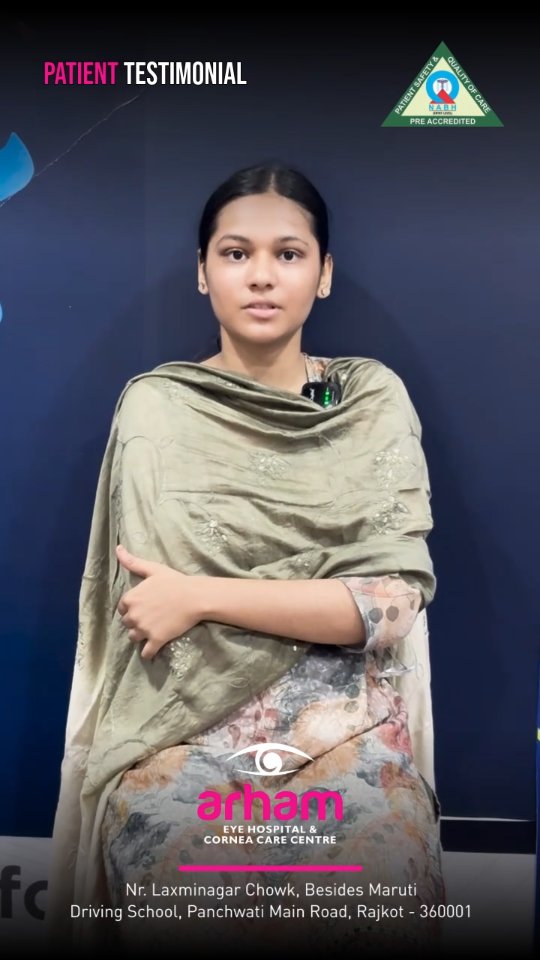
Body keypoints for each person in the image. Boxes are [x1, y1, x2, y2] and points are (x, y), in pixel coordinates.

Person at [47, 161, 445, 956]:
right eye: (236, 253)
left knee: (376, 892)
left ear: (323, 273)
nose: (262, 275)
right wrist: (310, 586)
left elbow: (388, 605)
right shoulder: (160, 407)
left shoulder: (365, 401)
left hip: (349, 732)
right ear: (203, 272)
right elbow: (153, 606)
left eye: (288, 254)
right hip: (182, 734)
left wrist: (202, 594)